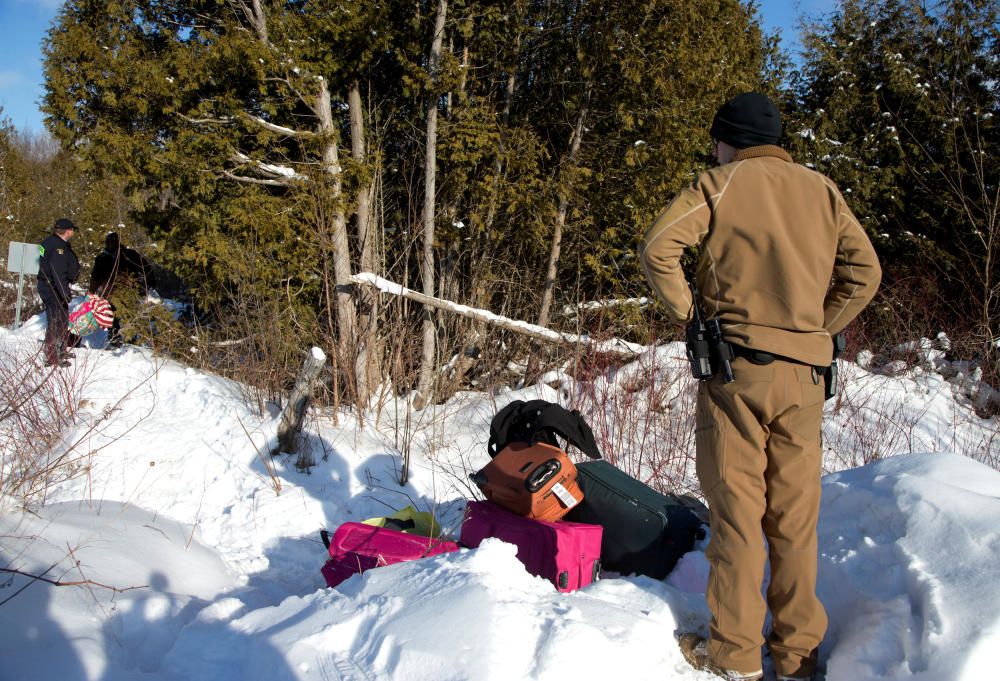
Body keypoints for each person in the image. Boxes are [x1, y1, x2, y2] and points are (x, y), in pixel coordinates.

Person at [641, 92, 881, 681]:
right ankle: (798, 659)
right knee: (795, 523)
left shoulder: (720, 183)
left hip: (736, 373)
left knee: (740, 519)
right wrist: (814, 330)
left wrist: (691, 311)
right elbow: (864, 272)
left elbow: (658, 248)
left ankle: (736, 658)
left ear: (728, 139)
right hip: (805, 377)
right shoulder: (822, 190)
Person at [88, 231, 156, 347]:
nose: (109, 245)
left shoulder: (128, 255)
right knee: (115, 316)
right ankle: (116, 340)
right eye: (108, 243)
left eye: (111, 242)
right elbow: (96, 276)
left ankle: (130, 341)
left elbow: (145, 268)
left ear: (117, 243)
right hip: (112, 292)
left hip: (128, 291)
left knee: (128, 316)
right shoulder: (103, 258)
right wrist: (91, 291)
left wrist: (149, 284)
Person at [37, 218, 81, 367]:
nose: (73, 233)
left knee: (62, 319)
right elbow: (57, 271)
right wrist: (64, 292)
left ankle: (60, 350)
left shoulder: (54, 242)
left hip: (54, 286)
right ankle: (52, 356)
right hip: (53, 288)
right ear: (68, 230)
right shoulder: (57, 247)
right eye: (72, 230)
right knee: (56, 321)